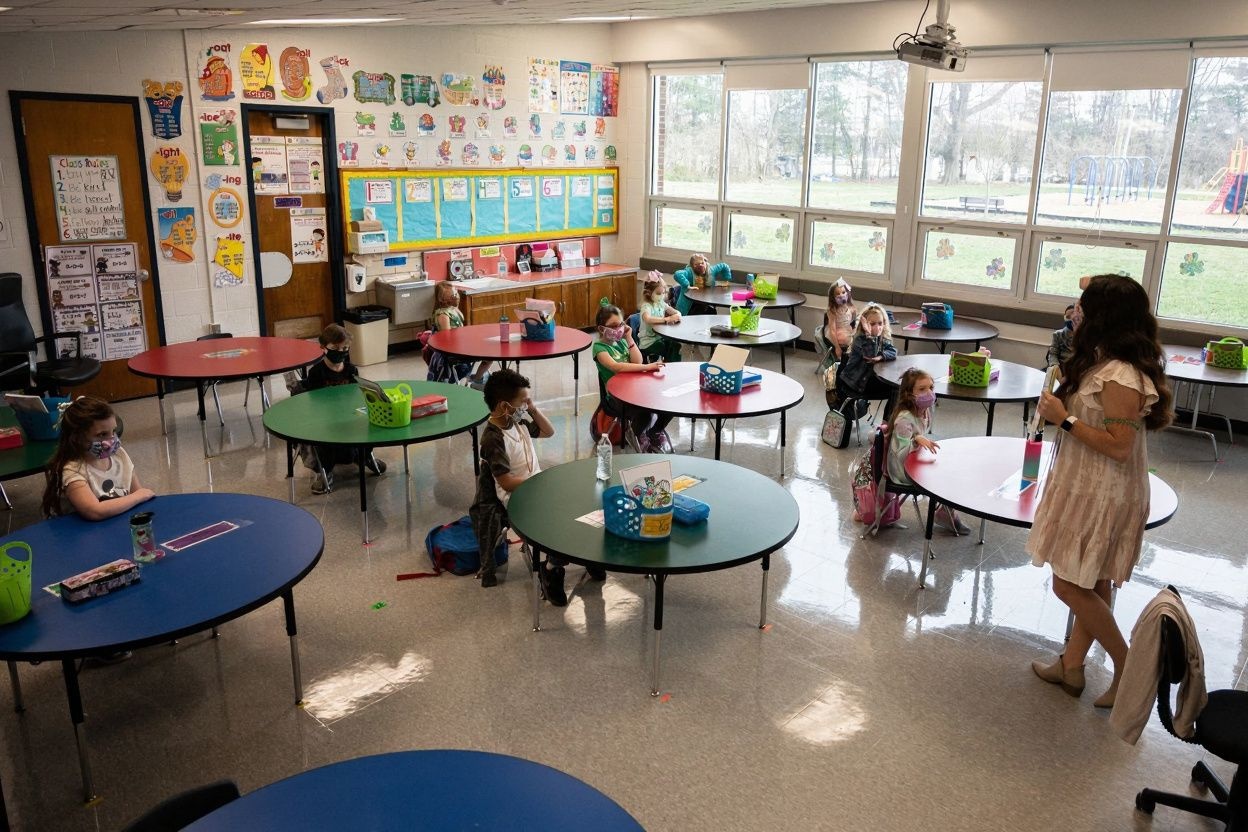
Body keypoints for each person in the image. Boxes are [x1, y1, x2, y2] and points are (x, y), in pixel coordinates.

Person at [1027, 274, 1173, 709]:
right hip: (1086, 483)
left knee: (1068, 585)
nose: (1076, 312)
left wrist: (1065, 419)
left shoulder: (1121, 376)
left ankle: (1130, 669)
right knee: (1094, 579)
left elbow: (1120, 447)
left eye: (1083, 306)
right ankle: (1072, 666)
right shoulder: (1101, 360)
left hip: (1103, 492)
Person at [469, 370, 587, 599]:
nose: (525, 406)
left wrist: (532, 409)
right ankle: (551, 569)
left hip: (536, 487)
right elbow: (506, 482)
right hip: (518, 497)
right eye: (522, 402)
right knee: (562, 520)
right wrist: (540, 483)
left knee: (581, 503)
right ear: (504, 406)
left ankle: (579, 557)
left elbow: (548, 431)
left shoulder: (517, 422)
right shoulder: (493, 438)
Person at [884, 368, 970, 534]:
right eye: (922, 389)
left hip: (913, 462)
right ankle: (945, 513)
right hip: (902, 470)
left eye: (931, 387)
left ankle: (946, 511)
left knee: (951, 465)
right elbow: (900, 454)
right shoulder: (904, 419)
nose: (929, 393)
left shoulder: (924, 411)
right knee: (942, 474)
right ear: (909, 393)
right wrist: (916, 440)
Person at [42, 396, 155, 520]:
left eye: (113, 431)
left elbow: (137, 492)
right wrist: (137, 497)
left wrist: (138, 496)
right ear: (77, 438)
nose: (112, 439)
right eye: (102, 434)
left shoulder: (119, 455)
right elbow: (94, 511)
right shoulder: (73, 470)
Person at [304, 323, 386, 494]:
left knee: (369, 425)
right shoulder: (316, 373)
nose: (341, 352)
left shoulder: (351, 369)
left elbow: (356, 395)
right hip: (326, 418)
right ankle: (325, 470)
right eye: (335, 348)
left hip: (349, 414)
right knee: (325, 439)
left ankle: (365, 457)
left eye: (345, 348)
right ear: (323, 347)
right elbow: (314, 403)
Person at [593, 302, 671, 452]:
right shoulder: (599, 348)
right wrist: (647, 367)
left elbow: (637, 361)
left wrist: (629, 338)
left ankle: (655, 431)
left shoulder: (622, 342)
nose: (618, 329)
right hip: (617, 397)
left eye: (620, 324)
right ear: (601, 329)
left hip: (634, 390)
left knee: (665, 401)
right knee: (645, 413)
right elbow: (617, 367)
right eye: (613, 325)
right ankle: (637, 434)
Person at [836, 302, 898, 419]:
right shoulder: (860, 340)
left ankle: (886, 424)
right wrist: (869, 335)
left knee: (898, 389)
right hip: (856, 383)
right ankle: (886, 425)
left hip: (868, 379)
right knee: (896, 389)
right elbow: (870, 356)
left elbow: (893, 351)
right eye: (872, 324)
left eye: (880, 323)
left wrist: (881, 356)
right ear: (864, 325)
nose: (877, 327)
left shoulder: (881, 339)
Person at [429, 281, 490, 387]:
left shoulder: (453, 309)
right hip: (454, 351)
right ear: (442, 299)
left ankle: (476, 379)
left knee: (489, 351)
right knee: (488, 355)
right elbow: (447, 338)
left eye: (456, 293)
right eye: (452, 296)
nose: (456, 297)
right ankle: (476, 381)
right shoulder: (443, 315)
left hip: (461, 345)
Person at [637, 270, 682, 363]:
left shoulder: (661, 303)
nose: (662, 296)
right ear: (648, 293)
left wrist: (677, 315)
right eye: (658, 293)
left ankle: (672, 365)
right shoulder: (646, 306)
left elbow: (675, 312)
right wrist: (667, 319)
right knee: (668, 348)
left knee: (675, 344)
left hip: (659, 337)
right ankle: (670, 366)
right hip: (648, 342)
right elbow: (647, 319)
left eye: (663, 293)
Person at [817, 278, 858, 374]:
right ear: (833, 297)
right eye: (838, 294)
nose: (841, 295)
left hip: (847, 329)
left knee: (858, 338)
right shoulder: (832, 311)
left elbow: (853, 322)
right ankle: (845, 362)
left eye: (843, 292)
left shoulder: (851, 308)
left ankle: (852, 363)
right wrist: (837, 347)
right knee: (847, 340)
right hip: (836, 331)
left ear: (847, 293)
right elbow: (832, 330)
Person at [1046, 301, 1081, 369]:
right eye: (1068, 317)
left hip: (1076, 368)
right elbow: (1052, 354)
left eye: (1073, 315)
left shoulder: (1084, 336)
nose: (1071, 319)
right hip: (1060, 366)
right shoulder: (1058, 334)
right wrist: (1055, 366)